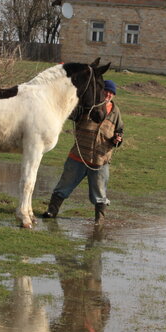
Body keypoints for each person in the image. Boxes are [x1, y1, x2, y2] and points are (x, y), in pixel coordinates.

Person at [42, 79, 124, 224]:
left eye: (111, 92)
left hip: (100, 160)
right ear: (100, 91)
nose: (108, 94)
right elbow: (71, 114)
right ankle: (51, 211)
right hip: (78, 156)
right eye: (106, 91)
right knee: (63, 186)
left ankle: (100, 219)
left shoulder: (116, 112)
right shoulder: (88, 105)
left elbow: (119, 132)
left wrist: (117, 140)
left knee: (100, 194)